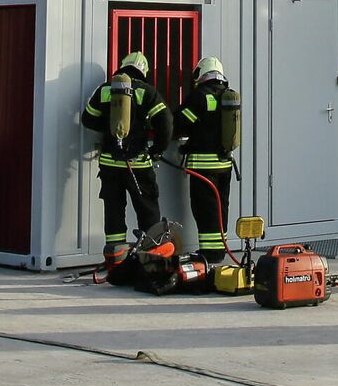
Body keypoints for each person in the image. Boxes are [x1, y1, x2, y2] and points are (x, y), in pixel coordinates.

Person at [81, 50, 170, 274]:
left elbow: (87, 119)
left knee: (114, 211)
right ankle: (151, 260)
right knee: (147, 210)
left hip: (110, 164)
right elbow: (166, 122)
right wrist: (157, 149)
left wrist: (110, 129)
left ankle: (116, 261)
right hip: (138, 164)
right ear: (143, 71)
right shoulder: (147, 92)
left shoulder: (104, 90)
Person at [175, 56, 239, 264]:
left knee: (204, 209)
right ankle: (219, 249)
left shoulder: (200, 96)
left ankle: (209, 254)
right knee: (221, 208)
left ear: (201, 73)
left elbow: (181, 122)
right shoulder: (228, 96)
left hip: (203, 166)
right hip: (225, 165)